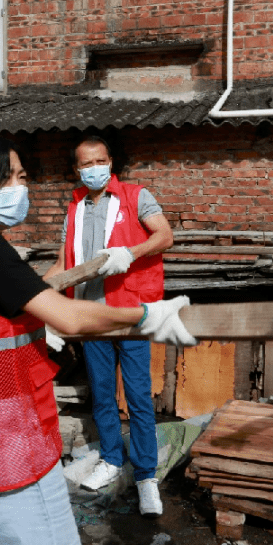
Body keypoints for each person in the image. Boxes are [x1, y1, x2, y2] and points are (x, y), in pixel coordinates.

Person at [0, 131, 196, 545]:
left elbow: (7, 306)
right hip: (14, 451)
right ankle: (114, 461)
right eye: (18, 178)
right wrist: (150, 314)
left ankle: (143, 472)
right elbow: (67, 315)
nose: (22, 189)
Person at [42, 135, 174, 515]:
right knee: (101, 393)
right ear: (77, 169)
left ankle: (147, 476)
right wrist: (39, 294)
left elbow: (165, 236)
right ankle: (112, 462)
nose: (94, 167)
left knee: (137, 395)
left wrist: (128, 253)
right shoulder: (74, 209)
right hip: (90, 316)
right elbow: (63, 263)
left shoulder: (135, 196)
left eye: (100, 160)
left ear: (110, 162)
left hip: (129, 313)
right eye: (86, 163)